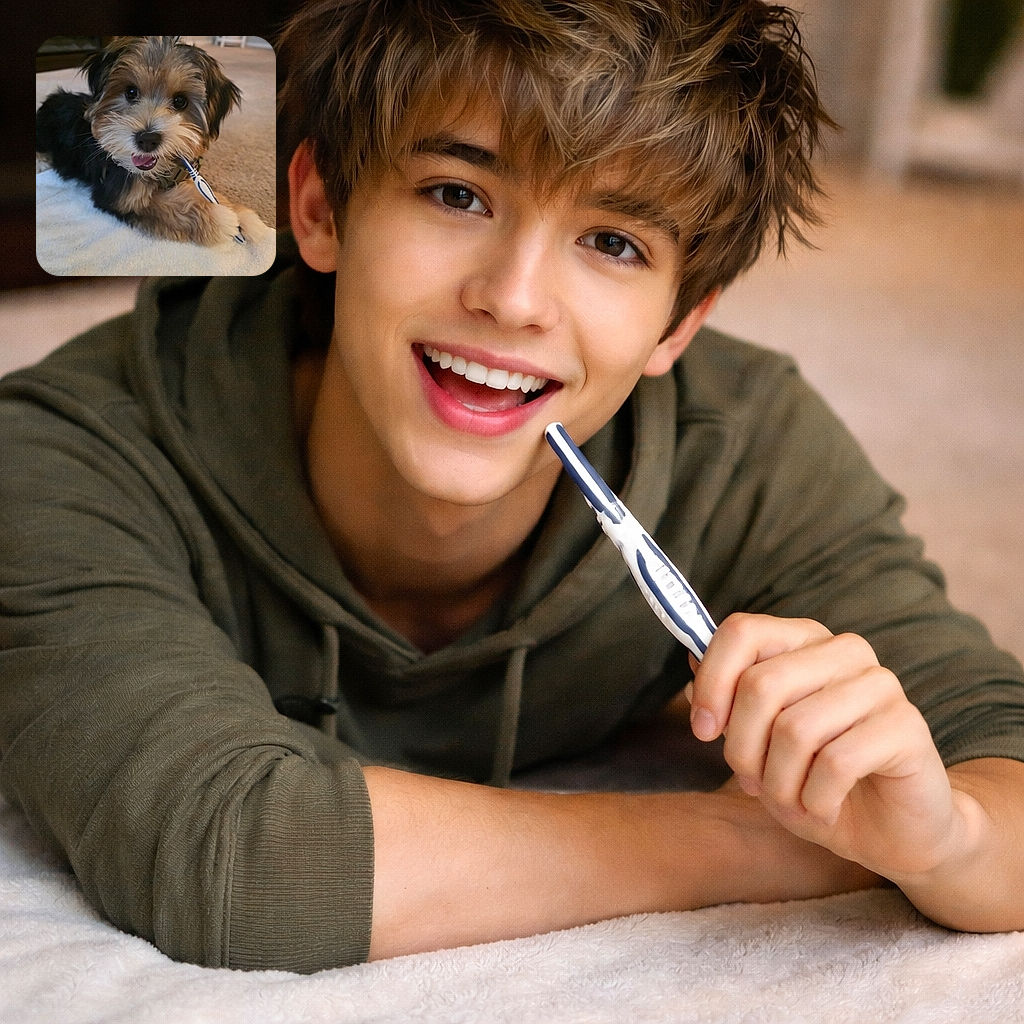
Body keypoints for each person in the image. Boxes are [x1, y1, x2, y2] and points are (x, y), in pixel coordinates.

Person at [2, 0, 1023, 975]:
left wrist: (945, 833)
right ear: (319, 209)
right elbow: (235, 863)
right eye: (457, 194)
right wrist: (774, 842)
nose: (513, 300)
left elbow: (1000, 758)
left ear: (678, 325)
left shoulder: (745, 448)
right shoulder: (61, 452)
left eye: (613, 243)